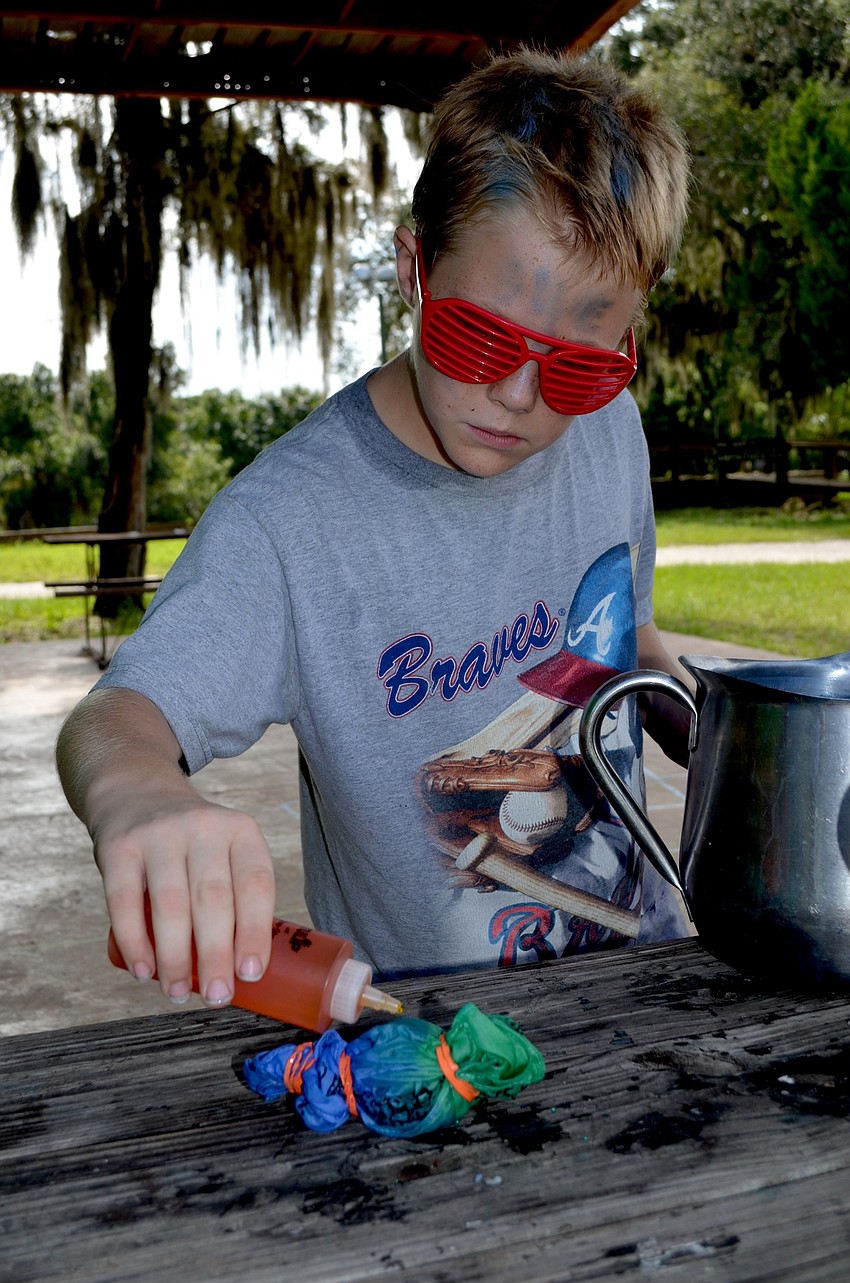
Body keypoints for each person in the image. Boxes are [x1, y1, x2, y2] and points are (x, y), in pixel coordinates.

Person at [56, 47, 693, 1011]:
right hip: (438, 1043)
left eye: (577, 367)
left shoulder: (610, 434)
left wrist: (745, 733)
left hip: (650, 983)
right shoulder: (293, 521)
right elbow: (117, 719)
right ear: (413, 270)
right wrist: (138, 797)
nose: (520, 397)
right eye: (480, 337)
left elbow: (627, 640)